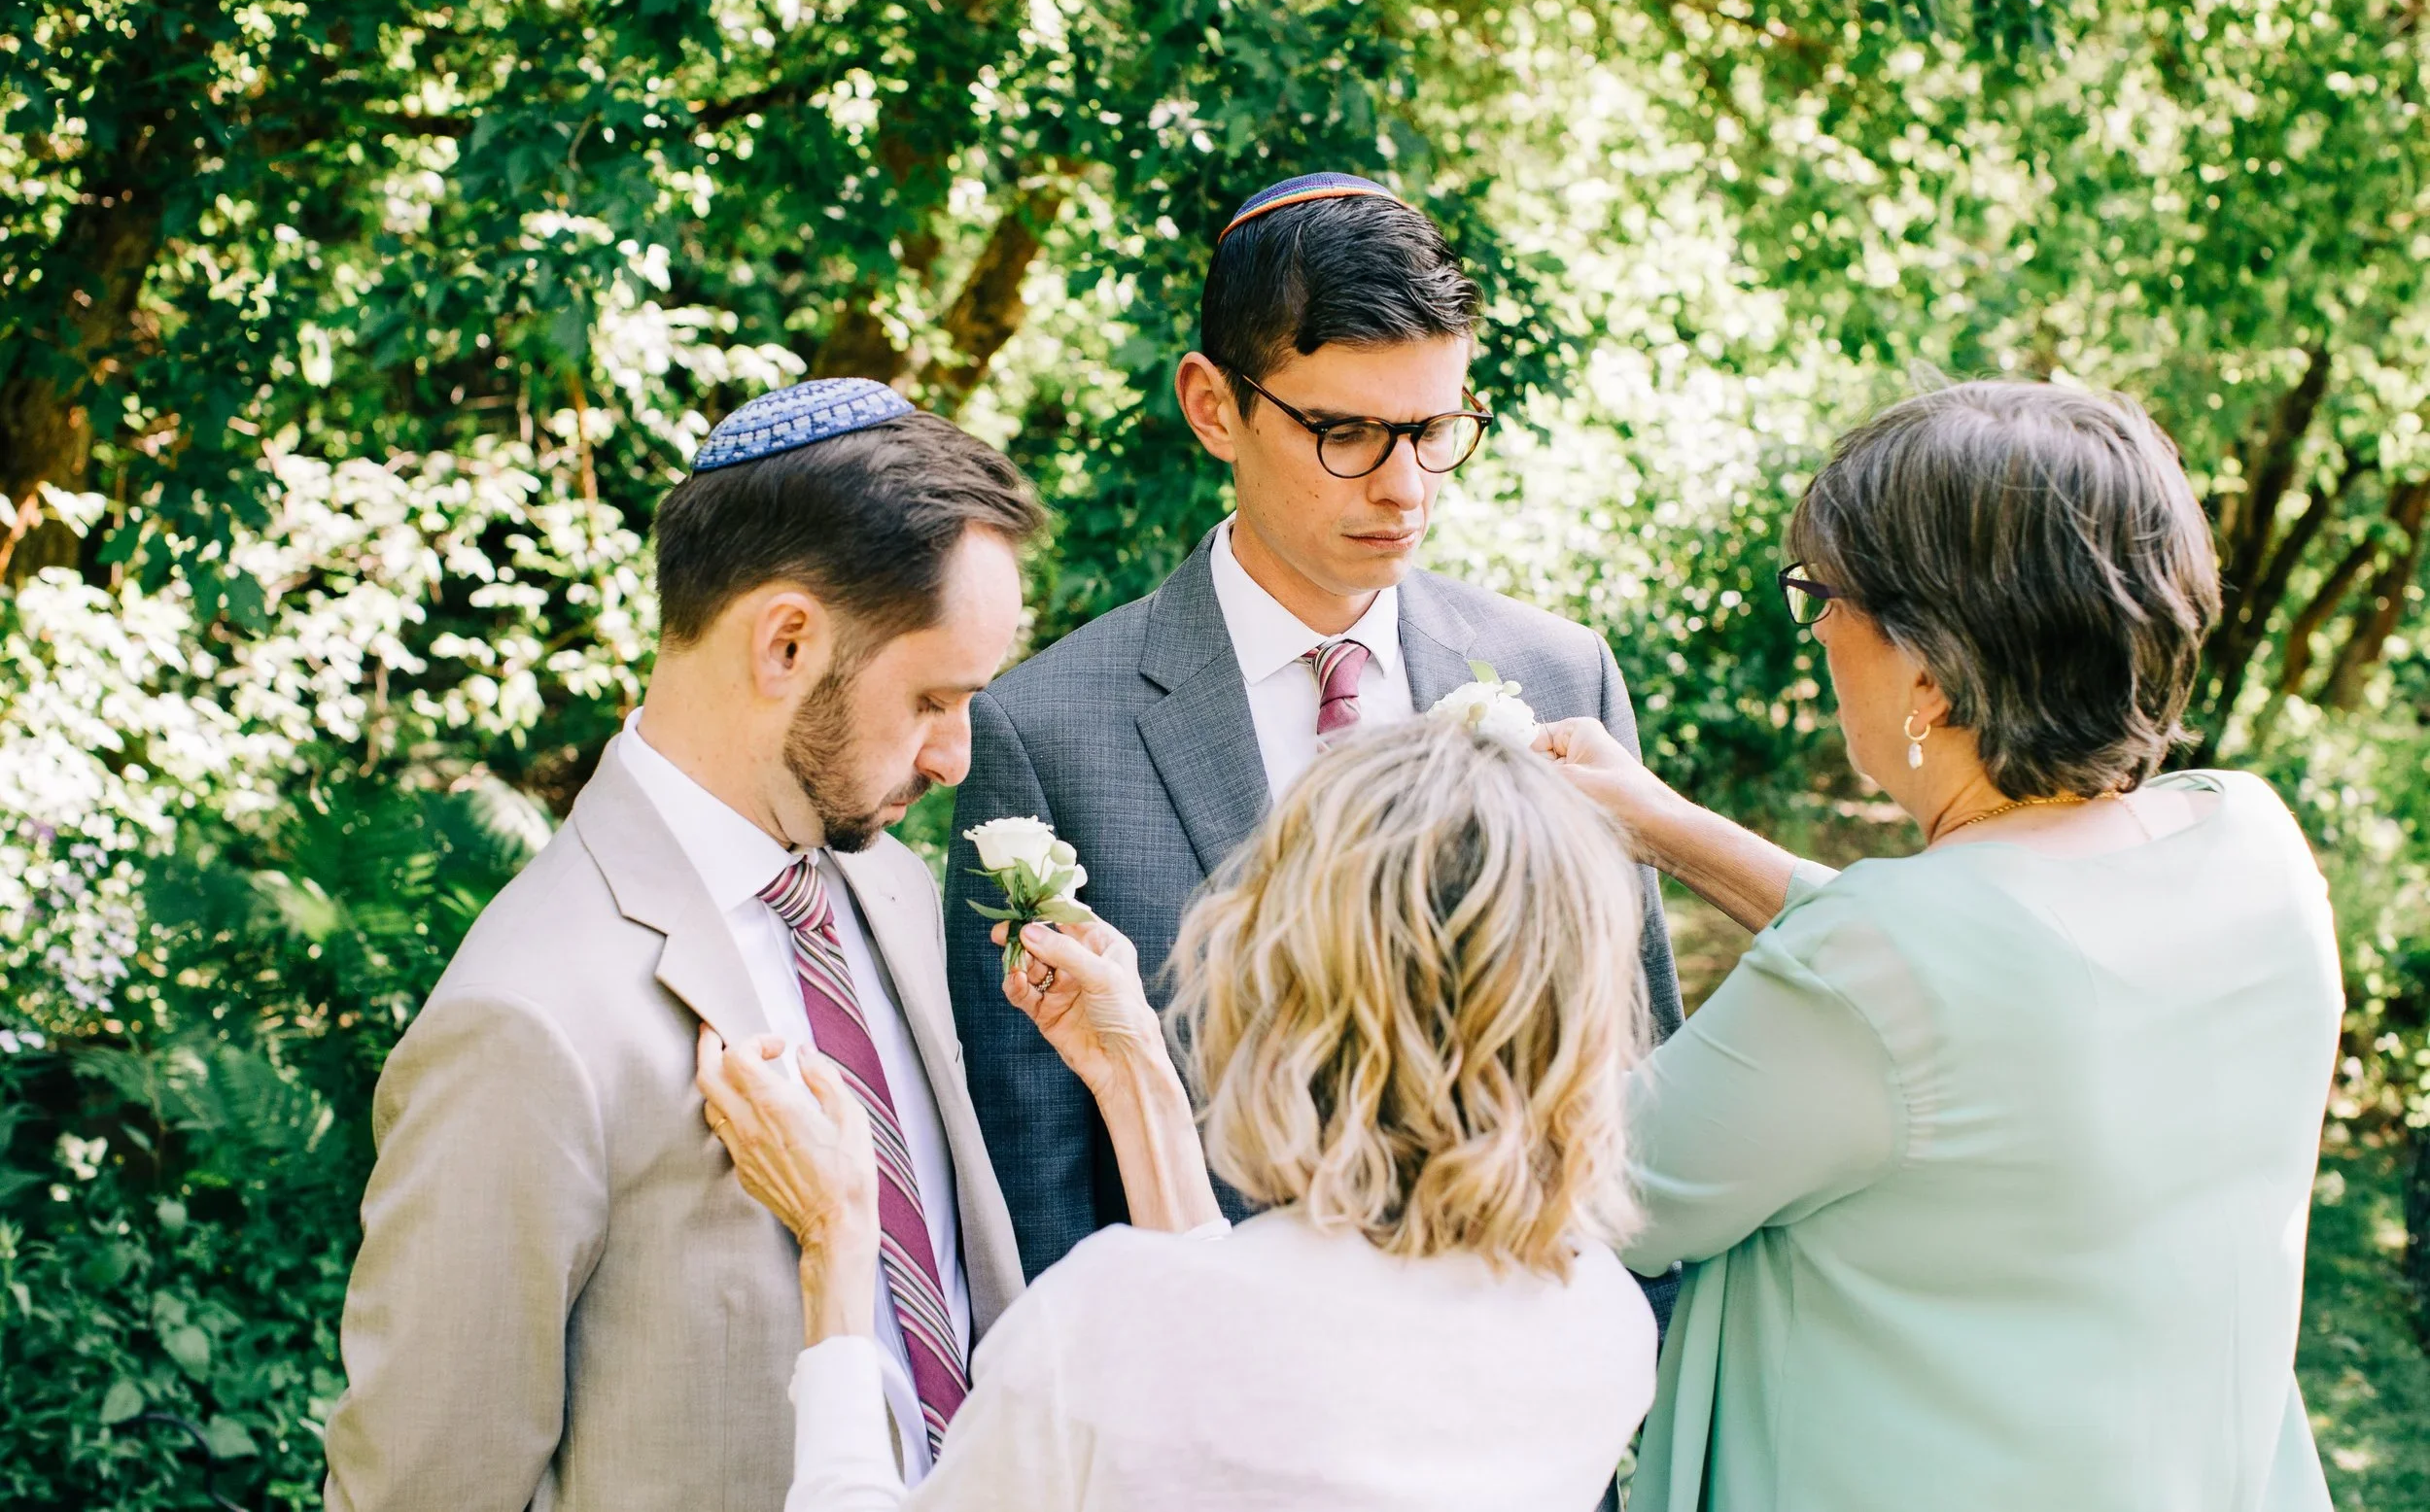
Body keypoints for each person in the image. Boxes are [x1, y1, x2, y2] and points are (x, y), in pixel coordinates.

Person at [1540, 379, 2342, 1511]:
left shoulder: (1878, 971)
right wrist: (1667, 827)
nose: (1815, 627)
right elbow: (1980, 974)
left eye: (1825, 595)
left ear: (1927, 668)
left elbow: (1585, 1195)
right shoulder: (2254, 848)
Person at [944, 169, 1682, 1292]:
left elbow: (1632, 1073)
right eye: (1344, 431)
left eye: (1436, 429)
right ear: (1212, 406)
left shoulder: (1557, 674)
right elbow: (1032, 1177)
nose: (1404, 488)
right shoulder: (1044, 733)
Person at [324, 381, 1045, 1511]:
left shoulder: (892, 886)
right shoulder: (526, 1020)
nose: (955, 755)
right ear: (786, 643)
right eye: (932, 699)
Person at [700, 720, 1661, 1510]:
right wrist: (1137, 1082)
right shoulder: (1601, 1324)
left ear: (1285, 974)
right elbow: (1261, 1375)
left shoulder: (1106, 1316)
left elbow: (1208, 1343)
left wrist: (837, 1245)